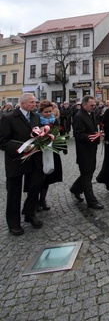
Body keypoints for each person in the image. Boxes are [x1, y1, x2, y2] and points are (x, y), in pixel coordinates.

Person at [0, 93, 44, 235]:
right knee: (14, 192)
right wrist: (21, 148)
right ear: (23, 103)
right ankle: (14, 222)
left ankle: (30, 213)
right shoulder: (9, 118)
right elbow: (3, 141)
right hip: (16, 161)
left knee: (35, 185)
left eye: (35, 102)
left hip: (34, 158)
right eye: (31, 102)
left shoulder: (35, 116)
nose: (34, 104)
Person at [70, 95, 104, 209]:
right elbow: (78, 134)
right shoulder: (79, 116)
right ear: (84, 105)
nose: (94, 107)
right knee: (86, 174)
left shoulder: (92, 113)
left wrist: (98, 135)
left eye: (94, 105)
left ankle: (75, 188)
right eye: (91, 105)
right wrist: (93, 137)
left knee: (90, 171)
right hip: (84, 150)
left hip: (92, 148)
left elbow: (95, 128)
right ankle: (91, 201)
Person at [35, 100, 67, 211]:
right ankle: (34, 202)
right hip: (40, 151)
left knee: (48, 177)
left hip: (52, 150)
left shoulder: (54, 120)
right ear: (41, 111)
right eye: (46, 112)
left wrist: (62, 146)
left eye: (50, 111)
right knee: (38, 177)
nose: (48, 114)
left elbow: (58, 133)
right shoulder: (36, 120)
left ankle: (43, 200)